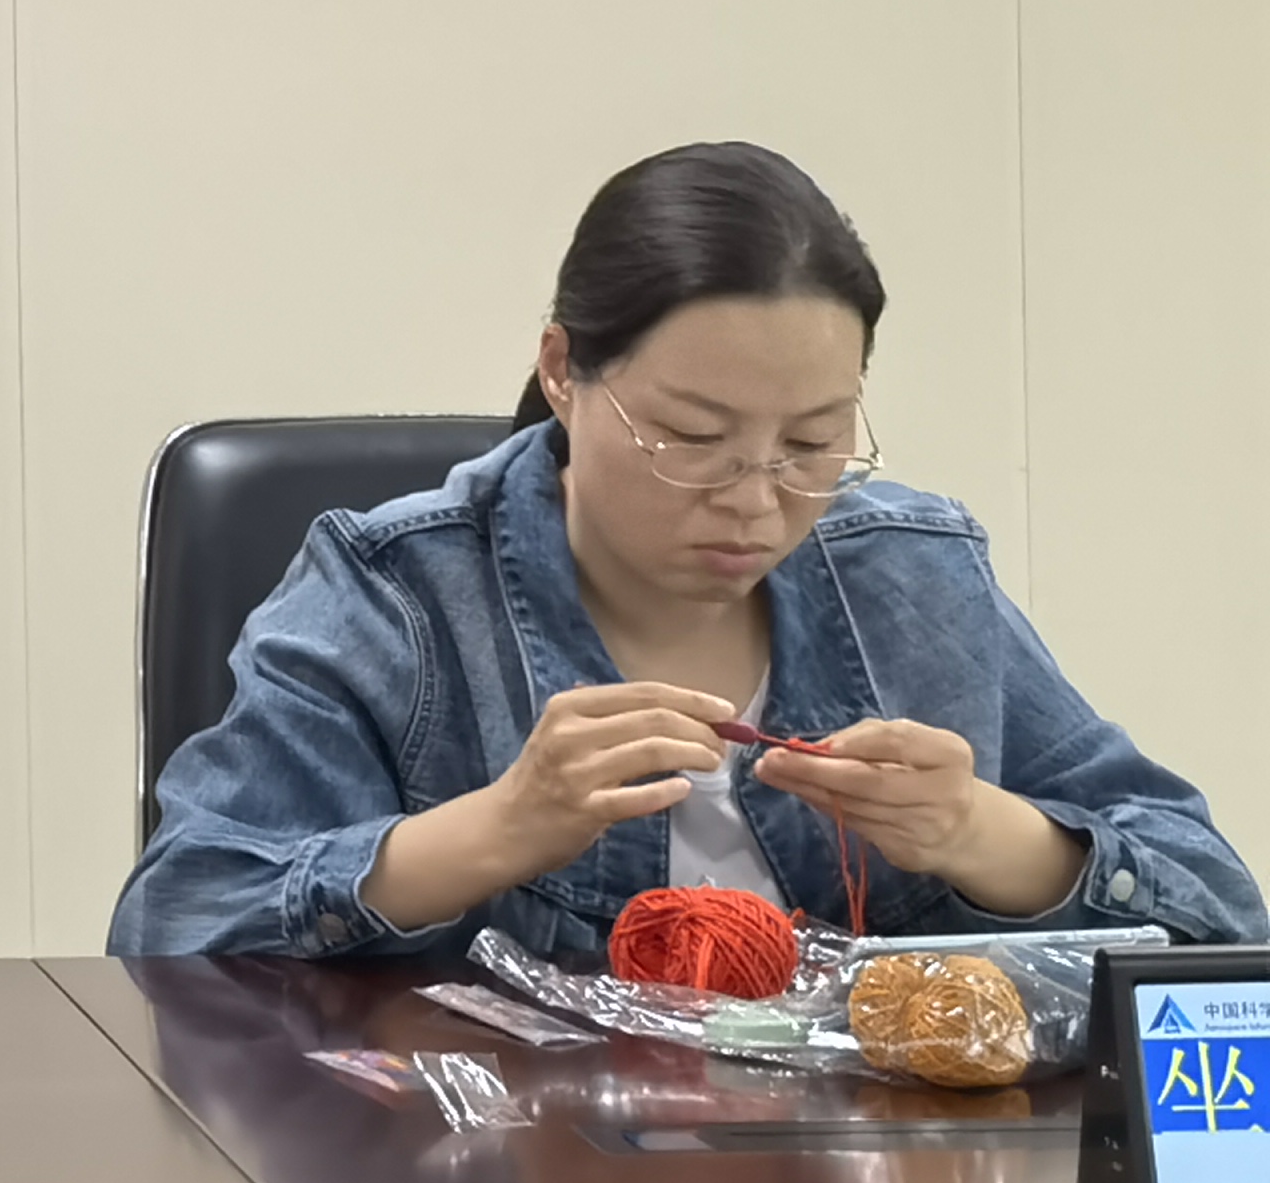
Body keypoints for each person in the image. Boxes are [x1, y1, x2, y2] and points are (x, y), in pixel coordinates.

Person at [112, 142, 1261, 961]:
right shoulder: (394, 596)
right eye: (693, 439)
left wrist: (980, 835)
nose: (754, 501)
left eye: (811, 443)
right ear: (562, 372)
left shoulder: (910, 572)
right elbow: (172, 927)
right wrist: (496, 830)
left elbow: (1219, 909)